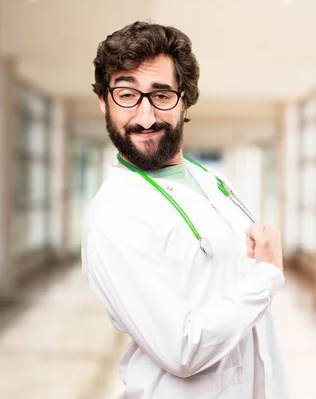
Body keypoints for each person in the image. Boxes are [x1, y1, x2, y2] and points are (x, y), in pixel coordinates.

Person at [81, 21, 289, 399]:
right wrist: (267, 276)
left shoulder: (209, 181)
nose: (145, 118)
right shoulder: (114, 217)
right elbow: (182, 348)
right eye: (126, 95)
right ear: (103, 101)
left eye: (161, 96)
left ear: (185, 99)